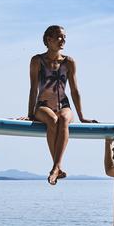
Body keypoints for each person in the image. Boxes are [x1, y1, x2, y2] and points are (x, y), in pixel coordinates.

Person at [26, 25, 96, 185]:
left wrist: (82, 117)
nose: (63, 39)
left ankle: (56, 167)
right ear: (48, 40)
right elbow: (33, 88)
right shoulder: (37, 60)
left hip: (64, 104)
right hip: (43, 106)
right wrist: (30, 114)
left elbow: (75, 91)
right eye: (59, 36)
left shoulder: (69, 62)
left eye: (64, 37)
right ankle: (57, 166)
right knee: (52, 120)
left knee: (64, 118)